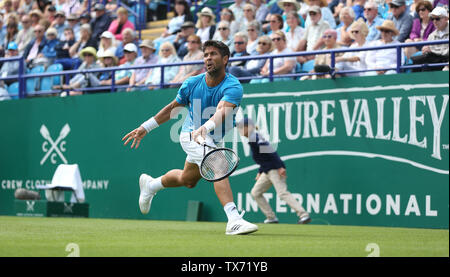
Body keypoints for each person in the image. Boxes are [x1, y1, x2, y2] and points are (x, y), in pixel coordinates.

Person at [121, 40, 258, 236]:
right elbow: (172, 109)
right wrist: (146, 127)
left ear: (225, 59)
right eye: (206, 55)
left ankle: (151, 185)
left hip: (208, 135)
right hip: (190, 136)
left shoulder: (233, 86)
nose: (208, 58)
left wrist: (206, 127)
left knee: (188, 179)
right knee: (218, 163)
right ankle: (234, 220)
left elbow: (223, 112)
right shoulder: (192, 83)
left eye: (213, 54)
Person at [237, 117, 311, 224]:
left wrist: (280, 166)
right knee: (255, 192)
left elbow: (271, 152)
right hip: (267, 170)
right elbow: (263, 157)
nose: (240, 129)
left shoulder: (255, 137)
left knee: (282, 193)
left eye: (242, 127)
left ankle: (304, 215)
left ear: (249, 127)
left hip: (274, 169)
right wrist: (260, 171)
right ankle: (271, 217)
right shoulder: (253, 138)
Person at [411, 7, 449, 71]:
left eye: (437, 18)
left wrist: (432, 50)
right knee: (416, 62)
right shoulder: (431, 35)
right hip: (437, 60)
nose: (434, 21)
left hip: (446, 61)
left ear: (446, 19)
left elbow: (446, 53)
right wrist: (426, 50)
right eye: (432, 19)